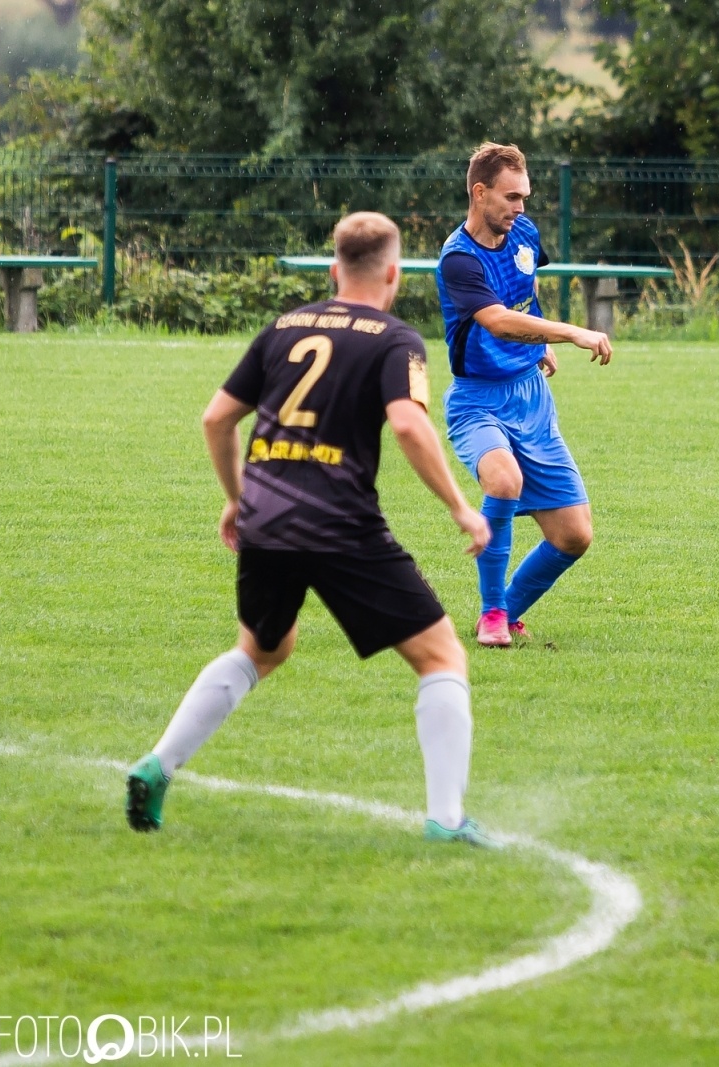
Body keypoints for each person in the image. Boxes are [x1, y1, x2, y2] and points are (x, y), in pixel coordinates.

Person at [124, 212, 496, 846]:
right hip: (340, 523)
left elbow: (217, 419)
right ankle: (446, 819)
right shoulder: (395, 338)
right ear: (393, 274)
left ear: (332, 270)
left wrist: (238, 499)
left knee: (261, 650)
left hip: (266, 520)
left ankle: (158, 765)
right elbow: (409, 424)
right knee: (441, 656)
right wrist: (461, 508)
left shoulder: (284, 327)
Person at [436, 141, 613, 648]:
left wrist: (538, 344)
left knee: (574, 536)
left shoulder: (524, 233)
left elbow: (524, 293)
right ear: (480, 192)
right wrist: (570, 332)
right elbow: (496, 320)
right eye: (511, 197)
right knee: (504, 479)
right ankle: (492, 613)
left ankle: (508, 610)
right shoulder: (459, 259)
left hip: (531, 399)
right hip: (478, 401)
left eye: (525, 198)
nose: (520, 208)